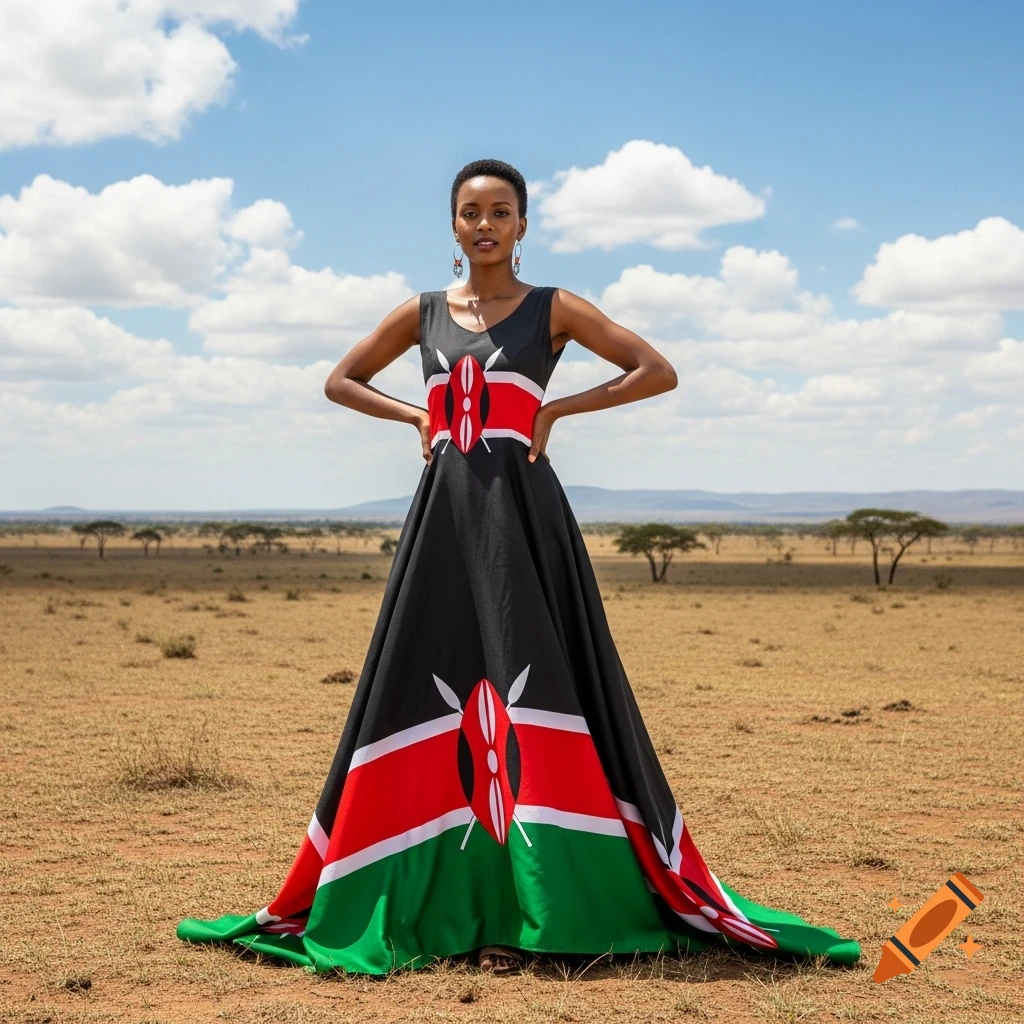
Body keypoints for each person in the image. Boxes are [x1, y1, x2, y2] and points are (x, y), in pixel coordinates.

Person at [177, 158, 861, 975]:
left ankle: (548, 903)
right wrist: (415, 419)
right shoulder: (423, 311)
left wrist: (561, 407)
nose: (485, 225)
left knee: (540, 679)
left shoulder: (554, 309)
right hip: (443, 520)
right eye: (470, 212)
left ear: (523, 226)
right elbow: (340, 380)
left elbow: (657, 369)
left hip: (525, 521)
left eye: (501, 211)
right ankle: (432, 888)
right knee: (424, 676)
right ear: (454, 226)